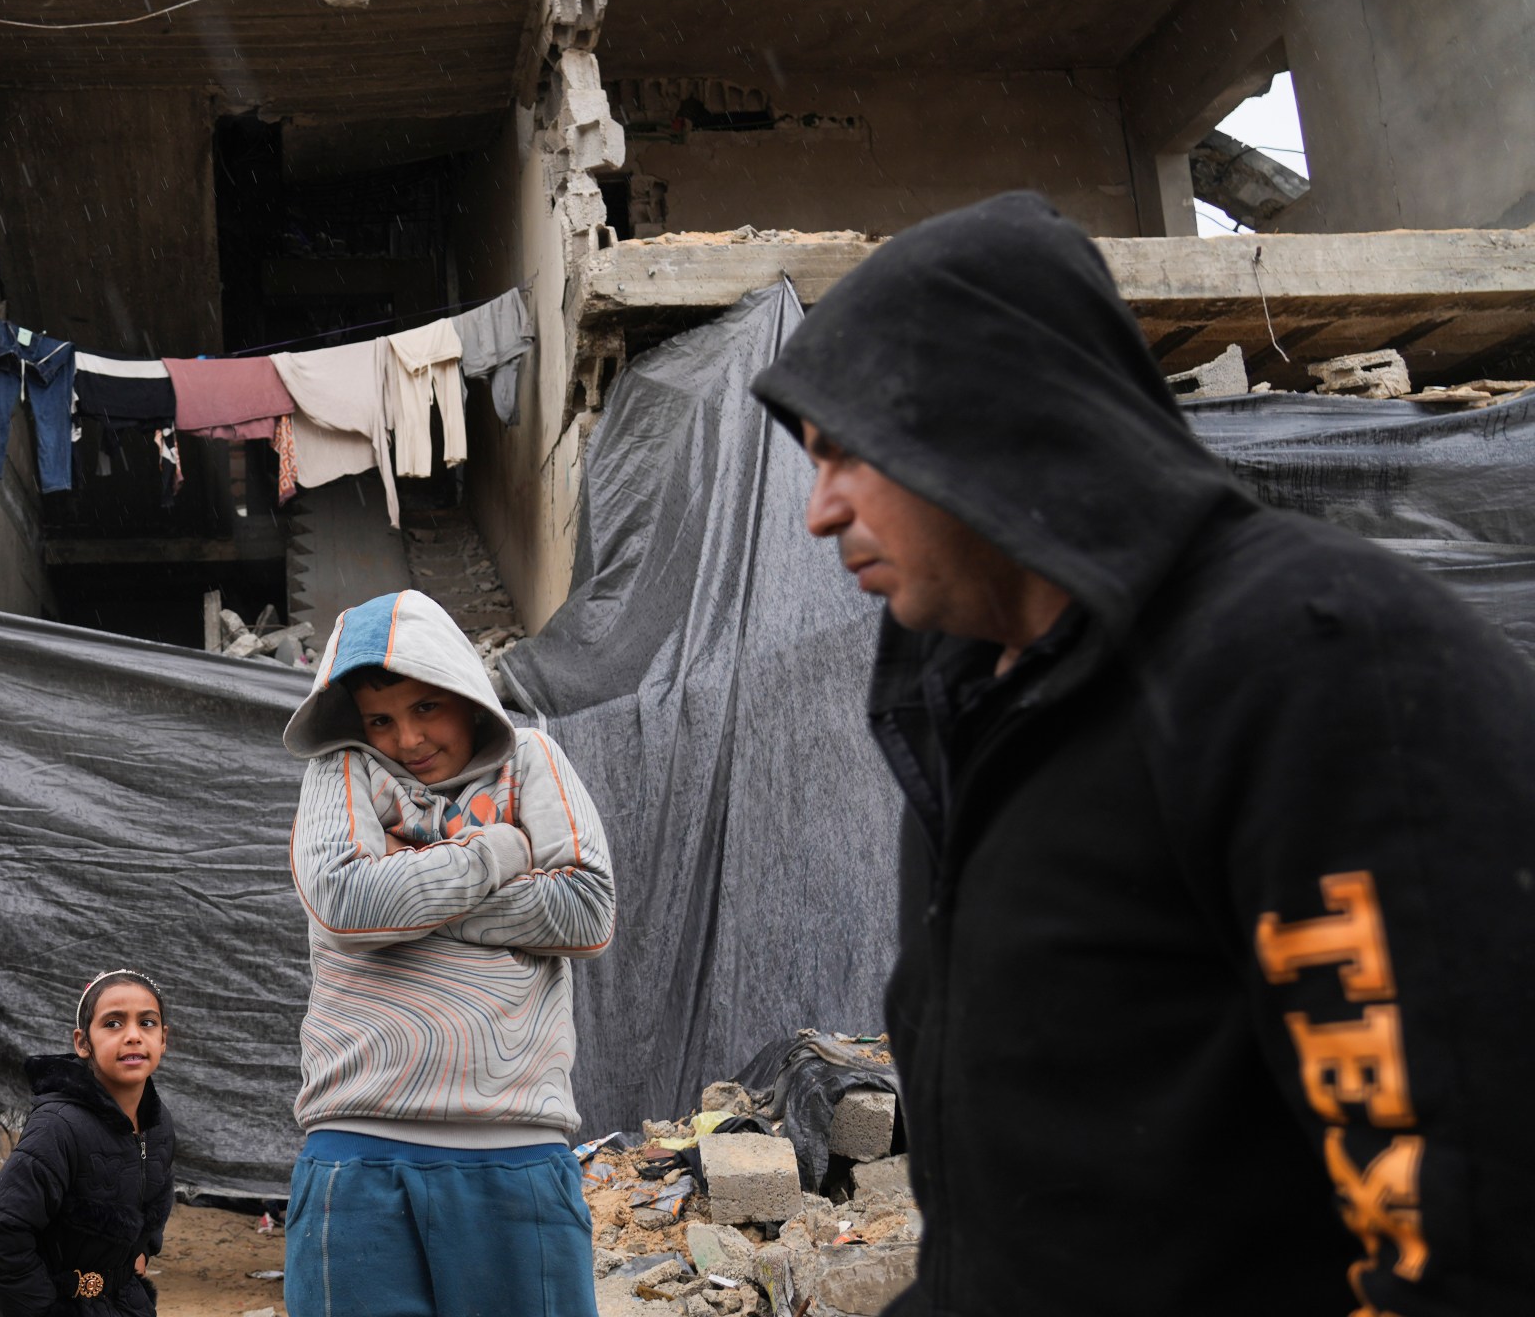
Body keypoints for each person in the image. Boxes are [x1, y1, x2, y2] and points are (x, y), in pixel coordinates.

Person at [751, 191, 1535, 1315]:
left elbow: (1468, 1205)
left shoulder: (1312, 665)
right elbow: (1048, 1212)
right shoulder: (978, 718)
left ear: (987, 421)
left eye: (848, 453)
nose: (819, 512)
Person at [279, 590, 617, 1317]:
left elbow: (587, 912)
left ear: (467, 695)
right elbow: (348, 905)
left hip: (516, 1149)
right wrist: (497, 852)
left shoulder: (531, 761)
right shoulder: (340, 770)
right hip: (358, 1149)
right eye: (381, 719)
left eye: (427, 706)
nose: (407, 739)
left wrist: (410, 891)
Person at [0, 970, 178, 1317]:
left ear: (163, 1039)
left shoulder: (158, 1125)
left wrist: (140, 1252)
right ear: (83, 1043)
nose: (133, 1036)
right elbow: (0, 1232)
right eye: (113, 1023)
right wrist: (47, 1307)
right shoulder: (59, 1127)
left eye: (147, 1023)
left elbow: (156, 1195)